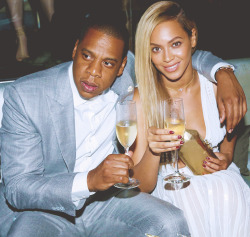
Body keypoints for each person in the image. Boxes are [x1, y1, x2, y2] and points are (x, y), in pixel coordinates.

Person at [0, 7, 247, 237]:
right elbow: (18, 187)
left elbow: (180, 57)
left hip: (107, 203)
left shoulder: (125, 85)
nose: (94, 72)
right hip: (45, 209)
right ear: (75, 49)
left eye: (108, 63)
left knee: (169, 222)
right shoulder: (26, 97)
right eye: (87, 56)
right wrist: (90, 180)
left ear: (121, 67)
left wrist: (223, 71)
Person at [131, 1, 250, 237]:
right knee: (186, 198)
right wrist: (154, 152)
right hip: (172, 188)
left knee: (229, 190)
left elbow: (232, 125)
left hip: (221, 183)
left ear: (192, 38)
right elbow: (141, 186)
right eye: (156, 49)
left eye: (175, 44)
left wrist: (226, 153)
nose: (167, 57)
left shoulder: (216, 87)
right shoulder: (141, 99)